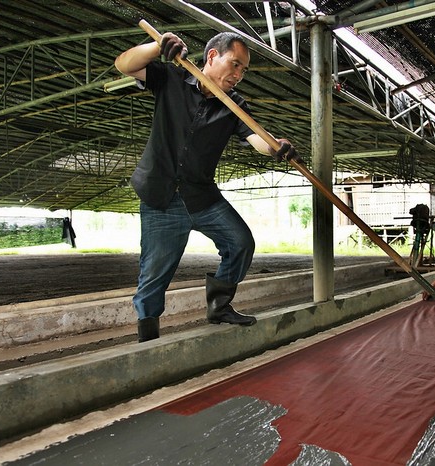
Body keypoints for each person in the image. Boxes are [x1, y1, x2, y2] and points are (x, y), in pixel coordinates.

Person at [115, 31, 300, 342]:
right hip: (162, 197)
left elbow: (256, 139)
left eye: (244, 70)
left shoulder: (234, 105)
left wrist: (276, 146)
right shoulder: (171, 78)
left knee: (240, 242)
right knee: (154, 272)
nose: (239, 75)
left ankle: (219, 306)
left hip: (202, 196)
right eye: (235, 64)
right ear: (212, 56)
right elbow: (124, 65)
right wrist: (158, 46)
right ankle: (147, 338)